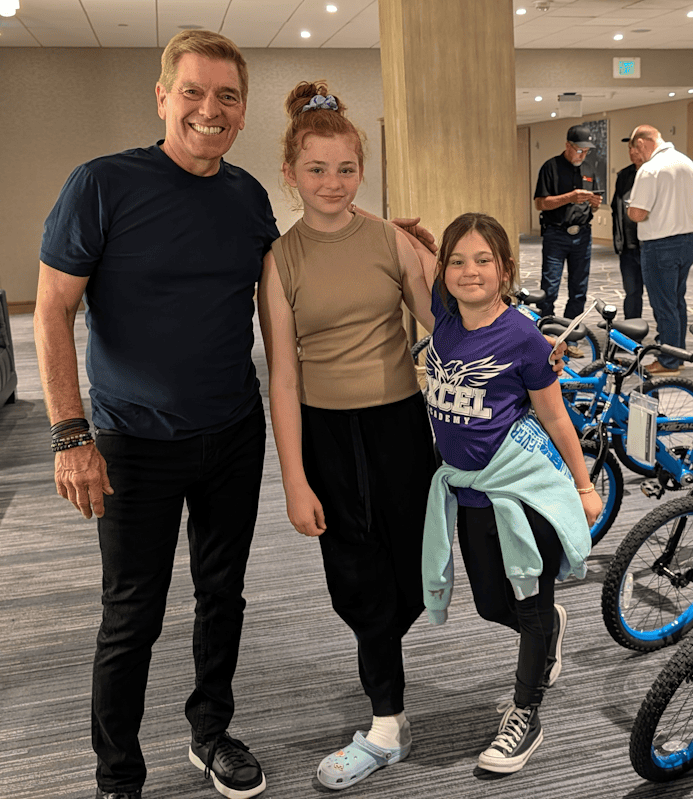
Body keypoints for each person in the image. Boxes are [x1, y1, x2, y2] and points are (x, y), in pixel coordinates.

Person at [33, 33, 435, 801]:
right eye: (192, 91)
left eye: (226, 96)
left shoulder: (247, 196)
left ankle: (210, 732)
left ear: (243, 111)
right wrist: (70, 434)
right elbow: (52, 309)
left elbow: (310, 252)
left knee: (222, 595)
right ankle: (118, 777)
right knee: (132, 613)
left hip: (230, 434)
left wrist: (390, 238)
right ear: (163, 97)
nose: (208, 110)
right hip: (132, 440)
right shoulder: (102, 184)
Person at [257, 81, 438, 791]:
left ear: (363, 169)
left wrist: (514, 339)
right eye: (316, 169)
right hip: (328, 435)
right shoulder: (281, 260)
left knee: (417, 571)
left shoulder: (391, 239)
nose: (332, 183)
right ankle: (387, 721)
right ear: (290, 174)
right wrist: (293, 479)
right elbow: (283, 378)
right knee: (356, 579)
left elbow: (445, 328)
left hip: (401, 425)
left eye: (346, 168)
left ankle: (533, 623)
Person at [418, 213, 600, 774]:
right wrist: (414, 237)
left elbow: (556, 416)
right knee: (491, 604)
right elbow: (415, 257)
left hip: (520, 494)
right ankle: (547, 629)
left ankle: (526, 714)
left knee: (529, 602)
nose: (469, 272)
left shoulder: (523, 338)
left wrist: (584, 485)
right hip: (471, 492)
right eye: (457, 261)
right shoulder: (444, 315)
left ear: (505, 269)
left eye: (483, 260)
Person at [626, 124, 693, 376]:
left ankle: (668, 362)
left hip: (660, 245)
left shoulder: (651, 169)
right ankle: (677, 355)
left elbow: (638, 213)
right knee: (677, 302)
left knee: (664, 305)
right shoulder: (687, 163)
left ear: (641, 143)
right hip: (687, 242)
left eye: (636, 150)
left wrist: (629, 208)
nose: (636, 156)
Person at [532, 124, 602, 318]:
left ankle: (572, 330)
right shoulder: (550, 167)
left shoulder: (589, 169)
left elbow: (592, 208)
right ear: (567, 145)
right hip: (556, 234)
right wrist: (570, 197)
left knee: (579, 289)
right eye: (579, 150)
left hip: (583, 235)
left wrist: (595, 204)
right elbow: (540, 203)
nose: (582, 155)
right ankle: (546, 328)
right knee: (550, 287)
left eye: (586, 151)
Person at [611, 135, 647, 320]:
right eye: (629, 149)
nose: (632, 152)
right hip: (628, 246)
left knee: (659, 296)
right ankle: (632, 330)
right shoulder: (624, 175)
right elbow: (616, 208)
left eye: (636, 148)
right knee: (632, 292)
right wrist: (619, 240)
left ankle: (666, 334)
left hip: (650, 246)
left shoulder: (655, 174)